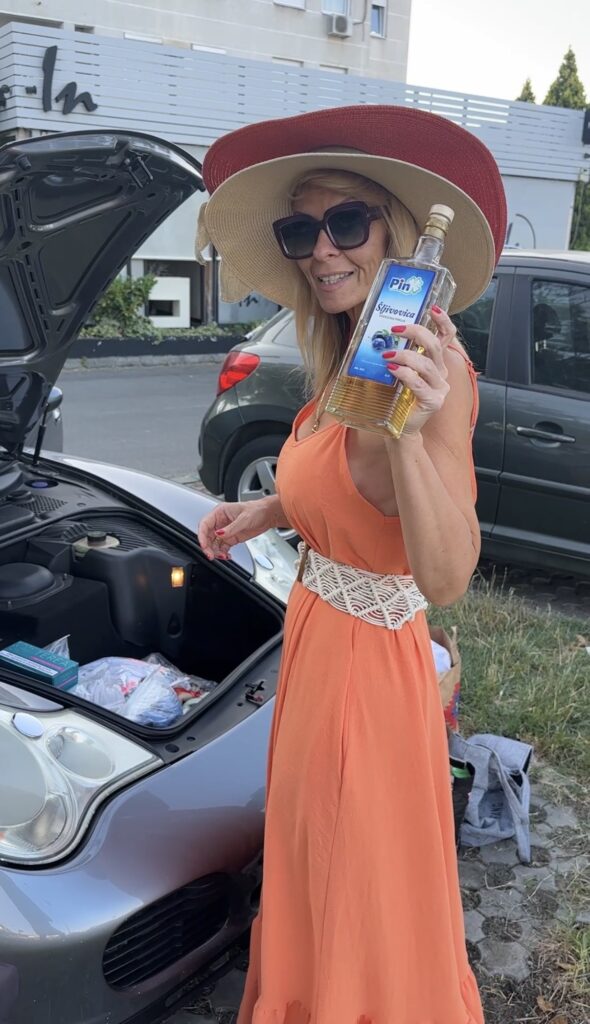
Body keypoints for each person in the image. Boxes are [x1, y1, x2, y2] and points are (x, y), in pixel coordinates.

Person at [196, 104, 507, 1024]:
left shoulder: (430, 370)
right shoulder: (344, 355)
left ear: (398, 236)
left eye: (346, 222)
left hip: (365, 681)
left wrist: (409, 431)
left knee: (348, 888)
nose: (321, 249)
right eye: (301, 230)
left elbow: (446, 575)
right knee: (315, 873)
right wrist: (265, 508)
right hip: (318, 651)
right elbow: (342, 487)